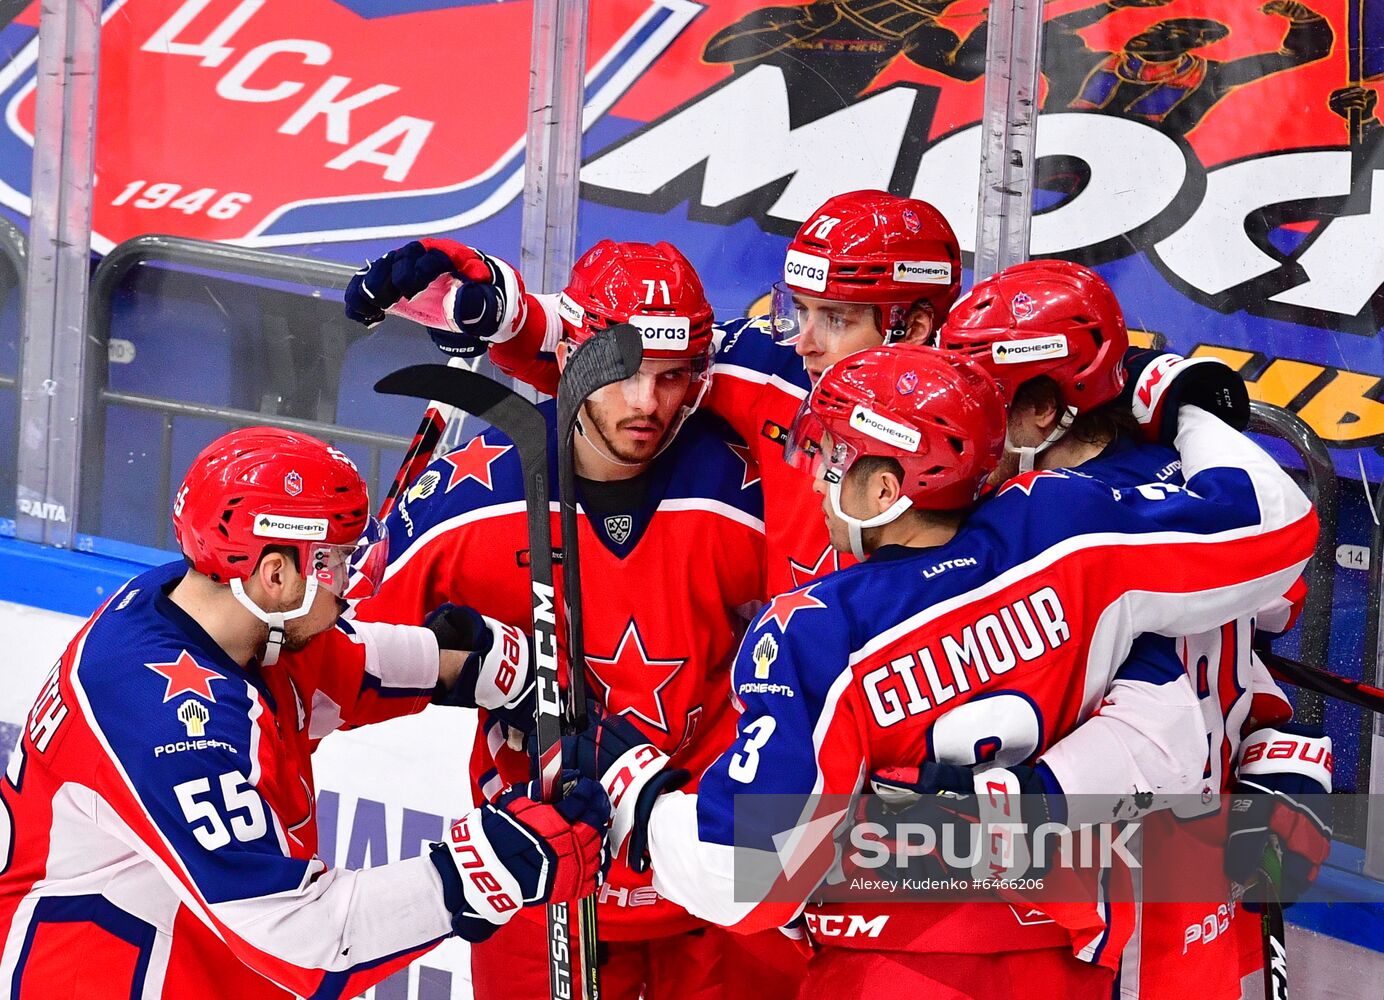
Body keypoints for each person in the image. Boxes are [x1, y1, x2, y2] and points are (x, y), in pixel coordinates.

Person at [554, 342, 1317, 998]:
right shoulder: (1065, 533)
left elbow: (745, 872)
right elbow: (1179, 716)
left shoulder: (814, 629)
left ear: (886, 490)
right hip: (1059, 963)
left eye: (832, 461)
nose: (817, 482)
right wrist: (1176, 402)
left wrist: (640, 797)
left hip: (887, 966)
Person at [0, 428, 608, 999]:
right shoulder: (170, 727)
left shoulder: (207, 606)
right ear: (273, 573)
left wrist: (469, 666)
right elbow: (308, 938)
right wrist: (483, 871)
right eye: (334, 561)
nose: (346, 584)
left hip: (190, 961)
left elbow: (329, 666)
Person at [349, 240, 802, 1000]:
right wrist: (464, 666)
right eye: (623, 373)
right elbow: (344, 659)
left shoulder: (749, 487)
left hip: (714, 890)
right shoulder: (466, 500)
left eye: (673, 378)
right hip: (544, 886)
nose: (648, 404)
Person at [930, 260, 1333, 998]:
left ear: (1047, 408)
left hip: (1112, 893)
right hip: (1203, 872)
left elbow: (1164, 714)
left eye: (986, 390)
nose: (965, 411)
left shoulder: (1054, 519)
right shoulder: (1182, 477)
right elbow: (1264, 628)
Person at [346, 189, 963, 596]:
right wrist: (499, 308)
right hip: (787, 728)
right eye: (797, 310)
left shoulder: (986, 446)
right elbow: (627, 360)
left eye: (834, 318)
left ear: (913, 324)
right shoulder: (771, 367)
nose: (802, 342)